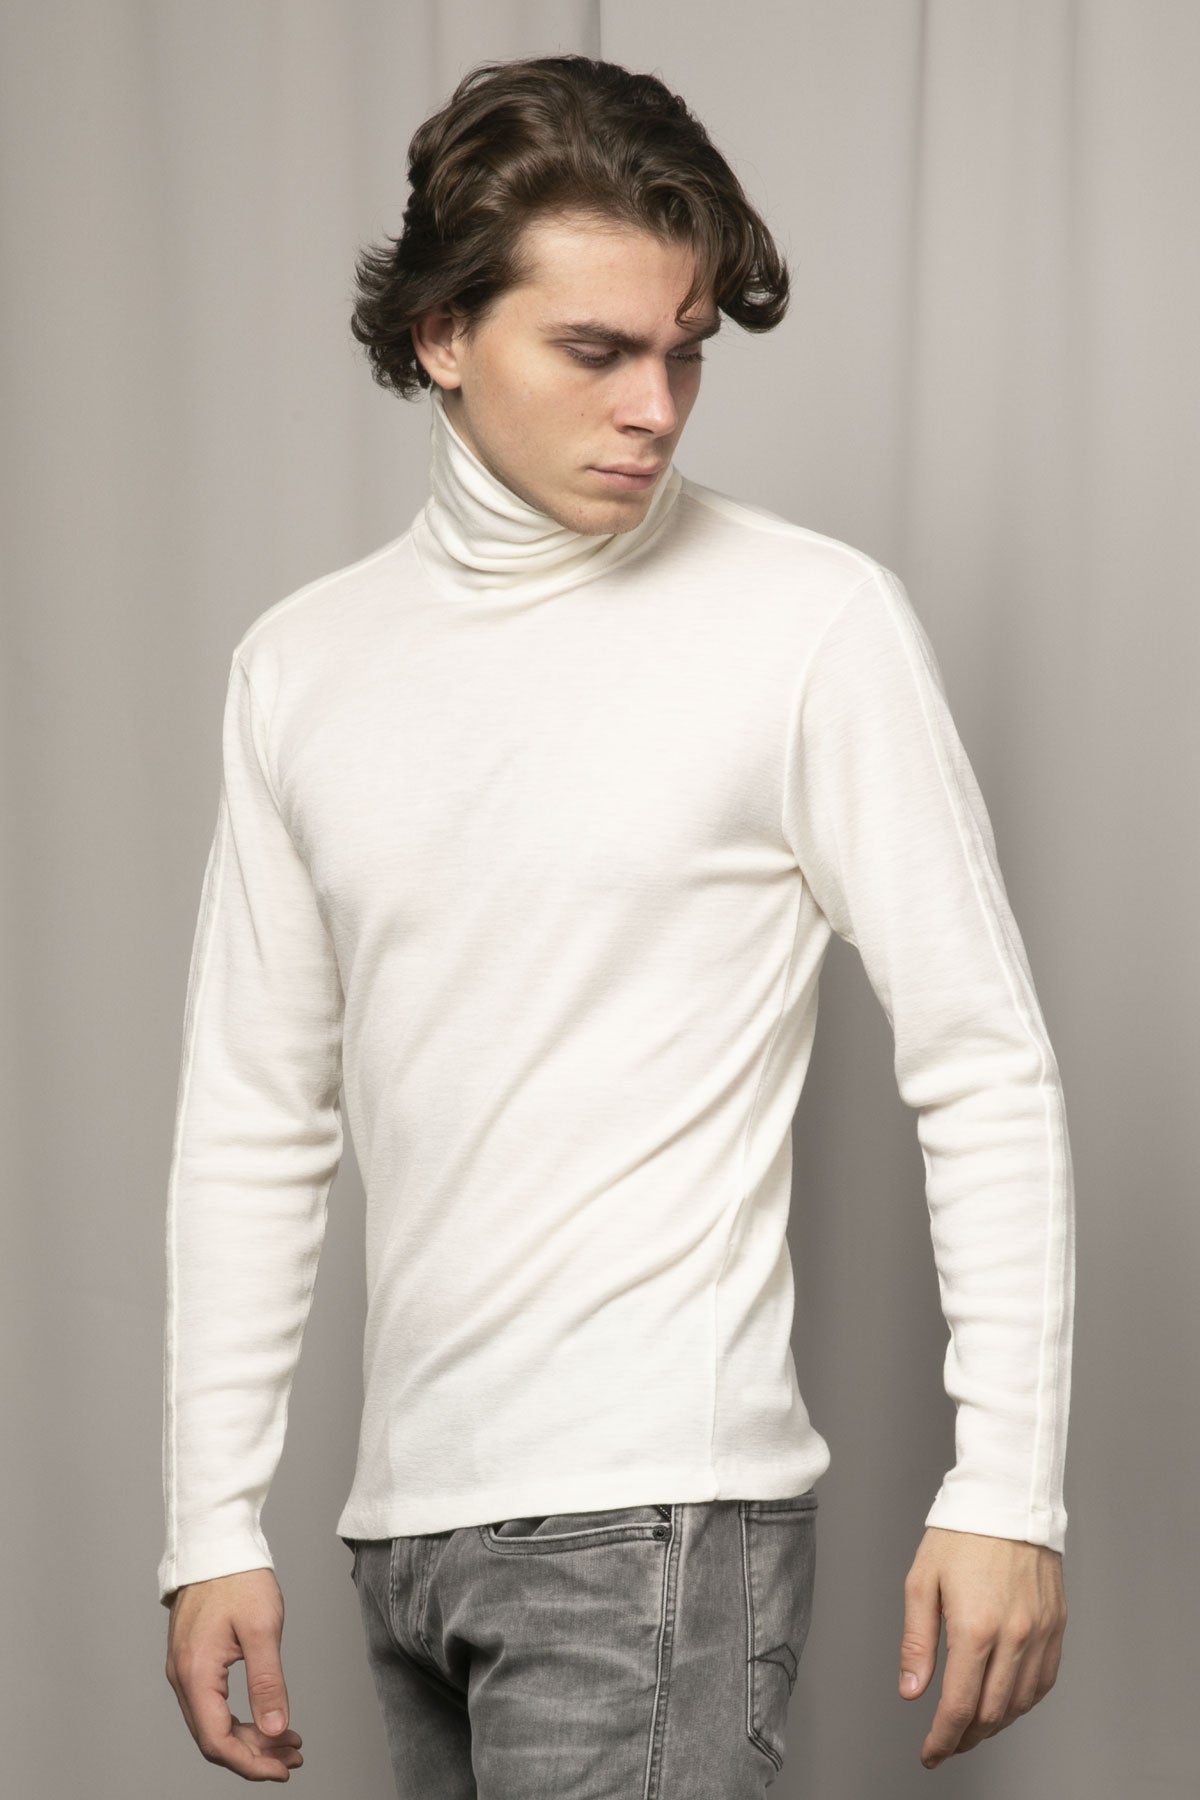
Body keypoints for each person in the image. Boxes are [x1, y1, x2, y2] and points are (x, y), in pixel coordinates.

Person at [160, 53, 1074, 1796]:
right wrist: (210, 1521)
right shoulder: (301, 667)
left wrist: (1010, 1488)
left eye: (686, 350)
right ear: (442, 333)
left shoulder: (808, 624)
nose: (656, 406)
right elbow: (254, 1118)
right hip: (403, 1537)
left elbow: (985, 1063)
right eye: (596, 351)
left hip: (655, 1524)